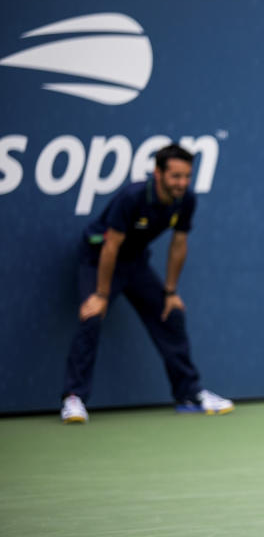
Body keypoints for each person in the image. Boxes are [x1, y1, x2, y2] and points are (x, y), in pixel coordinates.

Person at [59, 144, 234, 423]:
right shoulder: (132, 197)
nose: (182, 183)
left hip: (135, 262)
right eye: (176, 176)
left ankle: (190, 394)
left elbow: (178, 244)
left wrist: (170, 292)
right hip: (98, 258)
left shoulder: (186, 200)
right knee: (92, 317)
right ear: (158, 173)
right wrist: (101, 295)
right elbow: (110, 245)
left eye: (187, 176)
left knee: (171, 314)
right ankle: (74, 398)